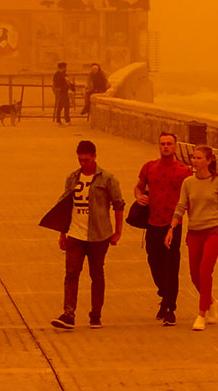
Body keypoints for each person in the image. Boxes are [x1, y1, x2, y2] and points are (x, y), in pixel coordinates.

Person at [39, 140, 124, 329]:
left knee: (97, 274)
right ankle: (68, 314)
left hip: (99, 235)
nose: (83, 163)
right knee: (71, 273)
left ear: (94, 156)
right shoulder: (72, 178)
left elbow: (118, 205)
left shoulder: (107, 179)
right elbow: (65, 205)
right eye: (80, 160)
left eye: (86, 159)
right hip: (75, 234)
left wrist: (118, 232)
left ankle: (95, 315)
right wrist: (62, 233)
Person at [165, 145, 218, 331]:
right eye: (193, 158)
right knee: (195, 276)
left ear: (208, 161)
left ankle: (201, 314)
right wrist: (171, 228)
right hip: (194, 232)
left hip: (213, 232)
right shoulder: (188, 183)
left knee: (205, 272)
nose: (194, 161)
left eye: (198, 158)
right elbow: (181, 207)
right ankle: (211, 302)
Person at [134, 133, 192, 325]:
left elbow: (190, 199)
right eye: (162, 144)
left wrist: (192, 225)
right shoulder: (149, 167)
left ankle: (169, 308)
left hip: (173, 225)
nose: (165, 147)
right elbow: (139, 187)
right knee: (154, 263)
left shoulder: (184, 171)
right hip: (152, 224)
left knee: (171, 266)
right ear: (158, 147)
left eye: (169, 144)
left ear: (175, 147)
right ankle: (164, 294)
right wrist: (139, 196)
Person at [52, 62, 74, 126]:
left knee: (60, 106)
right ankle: (67, 120)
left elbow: (55, 84)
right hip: (63, 92)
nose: (66, 69)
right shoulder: (64, 75)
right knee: (67, 106)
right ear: (63, 67)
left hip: (58, 92)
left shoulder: (56, 74)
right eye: (65, 67)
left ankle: (58, 120)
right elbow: (68, 82)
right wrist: (72, 88)